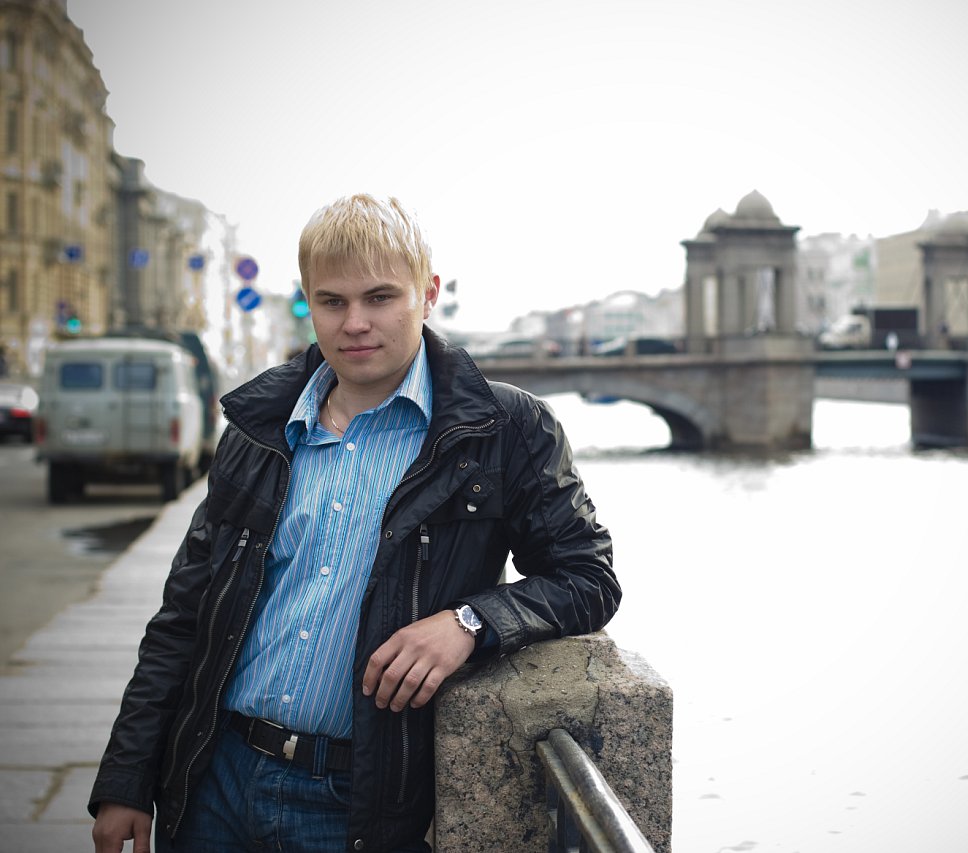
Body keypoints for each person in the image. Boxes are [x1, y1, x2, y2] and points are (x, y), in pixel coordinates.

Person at [89, 194, 620, 853]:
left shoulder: (506, 428)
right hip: (213, 779)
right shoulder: (260, 428)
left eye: (380, 297)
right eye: (332, 301)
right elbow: (184, 614)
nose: (355, 323)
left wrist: (469, 622)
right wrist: (127, 776)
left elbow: (588, 578)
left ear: (427, 295)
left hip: (352, 802)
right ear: (309, 303)